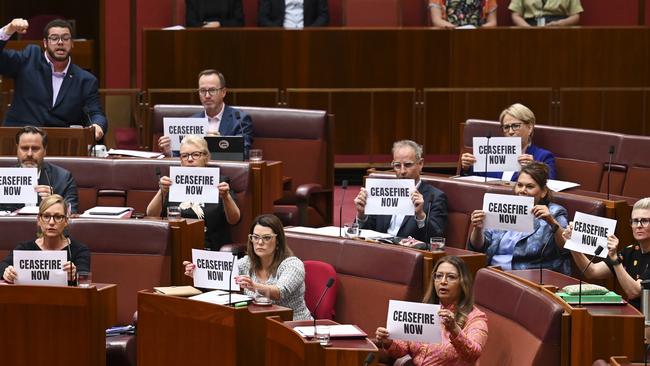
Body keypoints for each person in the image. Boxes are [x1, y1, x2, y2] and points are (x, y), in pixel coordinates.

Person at [184, 214, 312, 320]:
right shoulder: (246, 263)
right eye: (255, 237)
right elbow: (222, 280)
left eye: (266, 238)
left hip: (293, 325)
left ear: (278, 240)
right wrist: (199, 274)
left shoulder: (293, 265)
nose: (260, 242)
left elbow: (280, 292)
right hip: (261, 324)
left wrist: (254, 286)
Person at [0, 18, 108, 141]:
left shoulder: (85, 80)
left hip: (61, 145)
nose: (60, 42)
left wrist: (97, 125)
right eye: (54, 38)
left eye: (66, 38)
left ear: (72, 43)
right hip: (20, 142)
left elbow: (95, 113)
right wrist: (8, 30)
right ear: (45, 43)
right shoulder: (28, 59)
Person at [375, 256, 488, 365]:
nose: (443, 281)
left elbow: (473, 354)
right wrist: (388, 341)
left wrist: (455, 329)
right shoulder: (424, 310)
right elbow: (403, 349)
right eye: (438, 276)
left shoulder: (475, 318)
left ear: (463, 282)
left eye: (451, 277)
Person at [468, 161, 570, 275]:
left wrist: (551, 222)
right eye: (519, 185)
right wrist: (477, 228)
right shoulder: (503, 206)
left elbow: (566, 249)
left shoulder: (555, 213)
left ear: (543, 192)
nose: (522, 190)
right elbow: (478, 248)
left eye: (530, 186)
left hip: (528, 278)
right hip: (492, 273)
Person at [147, 135, 241, 250]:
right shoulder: (171, 183)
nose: (190, 159)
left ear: (206, 157)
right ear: (180, 160)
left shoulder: (220, 182)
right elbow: (151, 215)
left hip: (208, 246)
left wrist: (226, 197)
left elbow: (234, 220)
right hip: (174, 243)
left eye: (196, 154)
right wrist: (162, 191)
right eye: (185, 156)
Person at [354, 140, 448, 245]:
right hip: (379, 249)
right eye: (397, 165)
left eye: (408, 165)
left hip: (408, 253)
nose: (402, 171)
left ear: (420, 164)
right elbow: (366, 232)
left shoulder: (435, 197)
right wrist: (362, 215)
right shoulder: (382, 191)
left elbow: (436, 239)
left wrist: (421, 215)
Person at [562, 198, 650, 309]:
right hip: (634, 317)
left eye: (645, 221)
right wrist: (572, 244)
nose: (638, 225)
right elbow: (592, 271)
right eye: (635, 221)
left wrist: (615, 260)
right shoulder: (630, 251)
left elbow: (634, 292)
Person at [157, 69, 252, 158]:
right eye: (202, 91)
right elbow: (180, 155)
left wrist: (218, 144)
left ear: (223, 92)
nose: (207, 96)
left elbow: (244, 153)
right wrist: (168, 151)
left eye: (212, 90)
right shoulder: (191, 122)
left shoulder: (240, 120)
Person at [1, 194, 90, 284]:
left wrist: (74, 276)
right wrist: (6, 273)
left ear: (66, 221)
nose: (51, 222)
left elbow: (84, 278)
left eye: (58, 217)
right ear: (39, 220)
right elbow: (2, 267)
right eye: (46, 216)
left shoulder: (79, 250)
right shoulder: (24, 248)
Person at [460, 103, 556, 181]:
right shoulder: (490, 152)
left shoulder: (543, 157)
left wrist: (535, 169)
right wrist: (466, 167)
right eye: (506, 127)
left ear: (530, 128)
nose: (510, 132)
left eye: (515, 126)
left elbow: (550, 187)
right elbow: (474, 179)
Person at [0, 126, 79, 213]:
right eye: (24, 148)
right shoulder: (3, 178)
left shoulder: (63, 178)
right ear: (17, 149)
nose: (29, 154)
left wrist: (54, 203)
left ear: (45, 151)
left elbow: (71, 214)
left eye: (35, 149)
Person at [509, 0, 583, 27]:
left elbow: (575, 16)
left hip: (559, 28)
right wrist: (528, 29)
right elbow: (515, 15)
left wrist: (561, 24)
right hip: (530, 27)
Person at [258, 0, 329, 28]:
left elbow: (323, 16)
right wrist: (279, 32)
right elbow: (263, 18)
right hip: (278, 37)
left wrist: (309, 32)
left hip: (310, 37)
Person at [429, 0, 497, 28]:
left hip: (478, 37)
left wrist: (477, 30)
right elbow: (436, 20)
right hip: (448, 38)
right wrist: (457, 30)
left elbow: (493, 22)